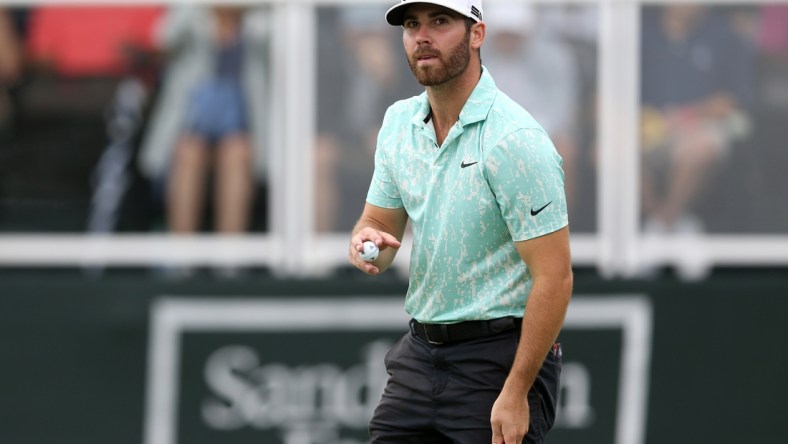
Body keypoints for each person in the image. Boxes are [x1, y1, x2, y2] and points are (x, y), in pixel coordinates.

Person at [347, 1, 573, 443]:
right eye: (412, 25)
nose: (422, 36)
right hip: (420, 354)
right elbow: (379, 223)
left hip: (501, 362)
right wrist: (366, 237)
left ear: (477, 34)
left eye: (441, 22)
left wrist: (516, 389)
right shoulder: (398, 123)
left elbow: (555, 277)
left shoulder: (516, 140)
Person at [139, 5, 271, 237]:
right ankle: (182, 260)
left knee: (236, 152)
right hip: (191, 123)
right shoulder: (192, 15)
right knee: (189, 152)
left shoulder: (262, 19)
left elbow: (283, 47)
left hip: (244, 127)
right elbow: (163, 38)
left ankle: (229, 263)